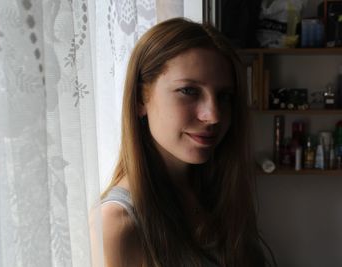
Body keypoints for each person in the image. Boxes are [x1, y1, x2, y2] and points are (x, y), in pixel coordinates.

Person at [98, 17, 272, 267]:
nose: (213, 116)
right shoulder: (119, 223)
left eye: (224, 96)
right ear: (140, 99)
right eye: (189, 91)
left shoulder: (217, 193)